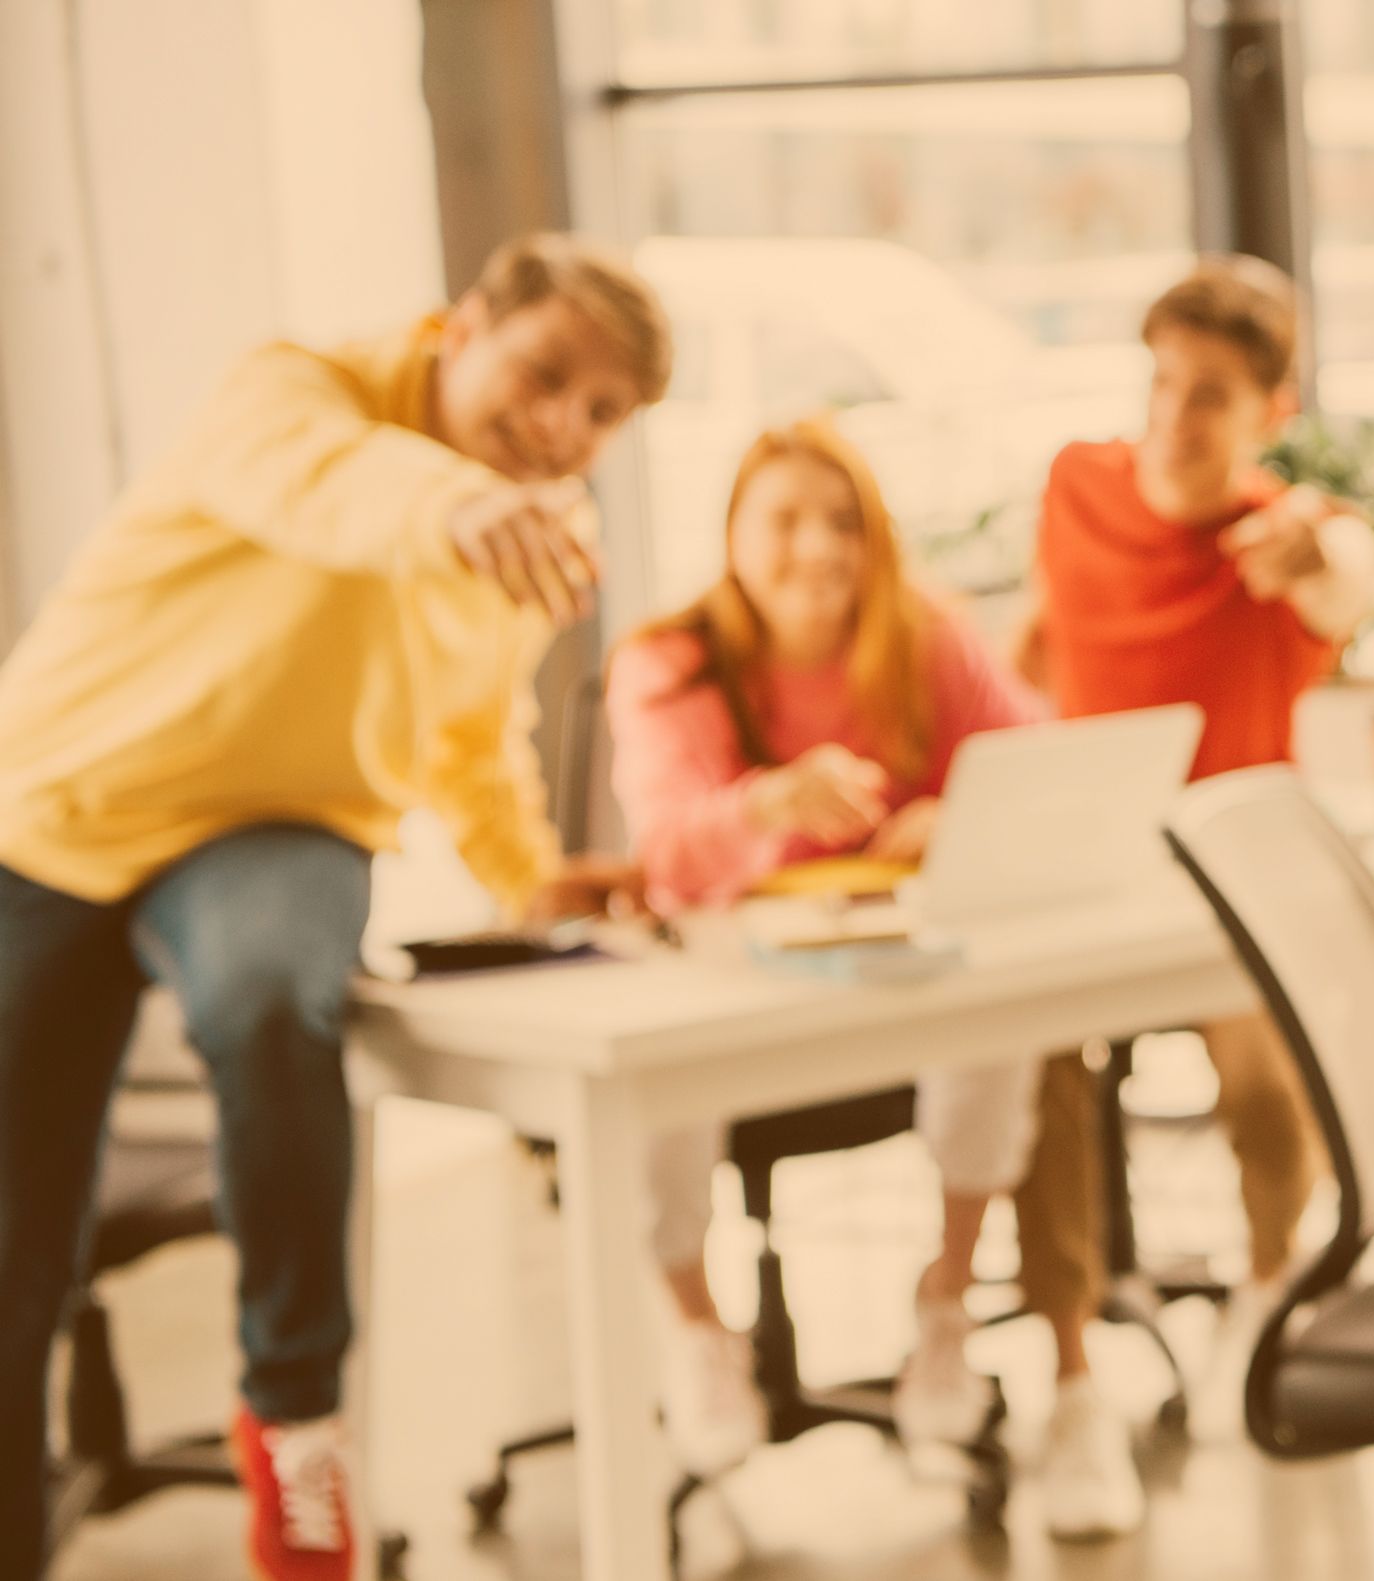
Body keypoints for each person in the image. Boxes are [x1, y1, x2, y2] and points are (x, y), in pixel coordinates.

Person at [0, 233, 666, 1581]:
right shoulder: (295, 398)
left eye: (599, 416)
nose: (556, 429)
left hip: (279, 824)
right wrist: (451, 508)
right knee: (13, 1245)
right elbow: (324, 487)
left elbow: (470, 731)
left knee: (266, 1004)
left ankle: (297, 1429)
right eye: (542, 375)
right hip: (58, 811)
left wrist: (526, 875)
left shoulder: (520, 530)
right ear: (459, 323)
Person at [601, 417, 1141, 1536]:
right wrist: (764, 802)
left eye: (841, 521)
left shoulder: (922, 636)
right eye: (785, 521)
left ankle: (946, 1298)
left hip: (890, 975)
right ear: (733, 535)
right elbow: (665, 849)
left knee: (1005, 1024)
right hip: (731, 982)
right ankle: (701, 1332)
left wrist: (956, 807)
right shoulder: (672, 660)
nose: (817, 549)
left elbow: (1034, 765)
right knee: (651, 1078)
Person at [1009, 254, 1374, 1465]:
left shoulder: (1280, 536)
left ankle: (1269, 1296)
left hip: (1229, 897)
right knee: (1032, 1082)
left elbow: (1343, 579)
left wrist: (1320, 557)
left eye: (1212, 391)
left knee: (1272, 1088)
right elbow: (1030, 643)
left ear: (1273, 410)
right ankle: (1068, 1379)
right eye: (1163, 379)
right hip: (1083, 880)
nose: (1176, 412)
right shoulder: (1075, 485)